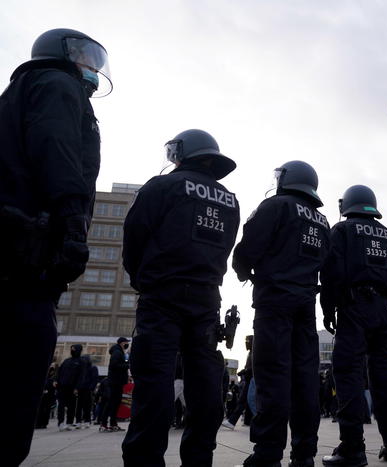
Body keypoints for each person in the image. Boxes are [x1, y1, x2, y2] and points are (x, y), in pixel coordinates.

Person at [0, 28, 110, 465]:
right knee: (25, 351)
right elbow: (58, 150)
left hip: (14, 239)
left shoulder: (17, 92)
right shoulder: (56, 84)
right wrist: (71, 224)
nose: (92, 68)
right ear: (61, 52)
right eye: (85, 56)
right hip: (29, 245)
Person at [120, 129, 239, 466]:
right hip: (206, 300)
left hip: (162, 294)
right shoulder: (230, 199)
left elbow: (134, 237)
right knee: (203, 384)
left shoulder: (161, 186)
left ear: (181, 152)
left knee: (155, 379)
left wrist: (142, 278)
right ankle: (199, 459)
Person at [233, 160, 330, 467]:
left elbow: (248, 247)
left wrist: (242, 269)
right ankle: (304, 455)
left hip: (274, 300)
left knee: (272, 376)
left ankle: (268, 453)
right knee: (305, 380)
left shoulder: (276, 206)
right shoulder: (322, 220)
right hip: (305, 305)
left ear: (286, 179)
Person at [319, 185, 387, 466]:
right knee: (385, 379)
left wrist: (328, 309)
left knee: (348, 374)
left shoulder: (342, 231)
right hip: (384, 312)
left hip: (354, 308)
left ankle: (352, 448)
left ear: (347, 205)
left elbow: (331, 272)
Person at [222, 335, 254, 430]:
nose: (246, 343)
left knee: (245, 401)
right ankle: (248, 421)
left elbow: (253, 368)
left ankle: (232, 421)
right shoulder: (251, 353)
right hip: (249, 381)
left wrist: (245, 371)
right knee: (247, 402)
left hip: (251, 381)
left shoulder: (253, 353)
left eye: (248, 341)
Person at [101, 337, 129, 432]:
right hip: (115, 382)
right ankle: (104, 424)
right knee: (111, 403)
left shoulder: (119, 352)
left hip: (117, 381)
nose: (127, 344)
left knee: (115, 404)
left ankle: (113, 423)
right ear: (122, 343)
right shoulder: (117, 352)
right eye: (126, 343)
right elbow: (114, 365)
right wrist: (127, 365)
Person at [56, 344, 85, 431]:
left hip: (72, 388)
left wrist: (77, 387)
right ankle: (60, 422)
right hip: (62, 386)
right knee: (61, 405)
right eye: (71, 349)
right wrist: (56, 380)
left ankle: (69, 422)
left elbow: (81, 376)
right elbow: (59, 371)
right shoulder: (67, 361)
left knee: (71, 406)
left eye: (74, 349)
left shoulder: (81, 362)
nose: (72, 350)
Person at [76, 353, 98, 428]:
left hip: (87, 389)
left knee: (87, 406)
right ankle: (78, 421)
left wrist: (91, 388)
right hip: (81, 389)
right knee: (79, 406)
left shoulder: (93, 368)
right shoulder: (81, 368)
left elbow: (94, 379)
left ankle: (87, 421)